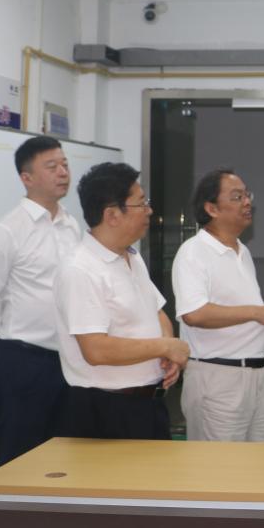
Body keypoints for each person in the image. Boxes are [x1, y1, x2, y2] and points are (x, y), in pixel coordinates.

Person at [54, 162, 189, 440]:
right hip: (106, 409)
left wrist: (167, 353)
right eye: (141, 203)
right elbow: (96, 350)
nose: (149, 210)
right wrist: (165, 346)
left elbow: (156, 312)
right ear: (112, 214)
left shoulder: (131, 257)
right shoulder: (80, 269)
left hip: (148, 402)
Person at [0, 136, 82, 465]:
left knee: (64, 458)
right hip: (22, 360)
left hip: (67, 360)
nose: (62, 172)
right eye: (52, 167)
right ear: (27, 178)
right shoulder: (7, 230)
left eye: (64, 164)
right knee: (20, 459)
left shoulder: (71, 225)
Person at [173, 168, 264, 442]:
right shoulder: (193, 252)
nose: (247, 203)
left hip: (256, 375)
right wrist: (257, 313)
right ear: (211, 208)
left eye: (247, 195)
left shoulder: (242, 251)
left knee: (260, 464)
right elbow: (194, 313)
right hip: (218, 378)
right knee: (218, 466)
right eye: (236, 197)